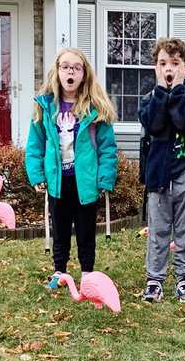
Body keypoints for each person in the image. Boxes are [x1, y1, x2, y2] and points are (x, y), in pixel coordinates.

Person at [25, 47, 119, 283]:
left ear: (84, 74)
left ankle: (87, 272)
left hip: (85, 181)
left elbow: (108, 147)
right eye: (65, 67)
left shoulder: (95, 109)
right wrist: (37, 175)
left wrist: (105, 177)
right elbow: (35, 145)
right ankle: (60, 271)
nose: (71, 72)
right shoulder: (45, 107)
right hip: (57, 181)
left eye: (77, 68)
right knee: (61, 227)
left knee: (86, 228)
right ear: (57, 72)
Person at [138, 37, 185, 304]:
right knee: (158, 230)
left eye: (175, 63)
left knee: (184, 231)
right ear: (156, 68)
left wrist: (177, 90)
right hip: (158, 176)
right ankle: (154, 280)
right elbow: (154, 125)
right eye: (163, 63)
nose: (169, 68)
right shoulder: (148, 99)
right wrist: (161, 91)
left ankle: (183, 279)